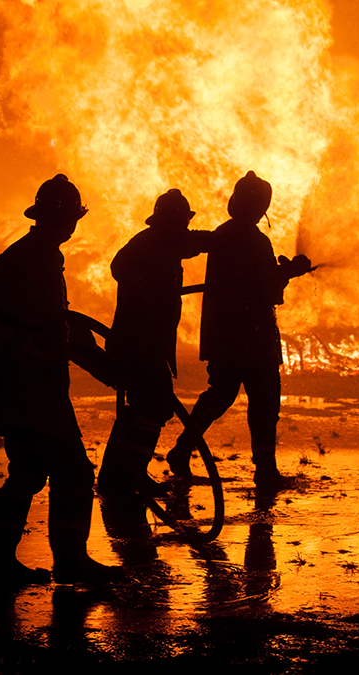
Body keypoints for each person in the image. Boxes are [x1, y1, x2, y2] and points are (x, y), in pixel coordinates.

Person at [0, 174, 123, 588]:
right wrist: (37, 321)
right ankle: (66, 562)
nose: (72, 225)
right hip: (26, 388)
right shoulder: (26, 256)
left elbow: (61, 324)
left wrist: (105, 366)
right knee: (70, 473)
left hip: (36, 388)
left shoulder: (44, 256)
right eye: (69, 217)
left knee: (30, 473)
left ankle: (4, 565)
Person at [166, 171, 311, 490]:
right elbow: (268, 291)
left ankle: (182, 449)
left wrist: (281, 272)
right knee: (265, 401)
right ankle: (265, 471)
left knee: (220, 394)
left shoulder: (223, 234)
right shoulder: (256, 240)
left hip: (223, 335)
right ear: (261, 207)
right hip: (252, 337)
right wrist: (290, 271)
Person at [96, 189, 212, 495]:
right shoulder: (147, 244)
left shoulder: (169, 244)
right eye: (182, 223)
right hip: (136, 344)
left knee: (146, 406)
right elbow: (118, 267)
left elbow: (198, 241)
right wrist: (145, 286)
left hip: (151, 345)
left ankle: (119, 474)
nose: (186, 229)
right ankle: (128, 474)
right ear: (170, 222)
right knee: (155, 405)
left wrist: (228, 238)